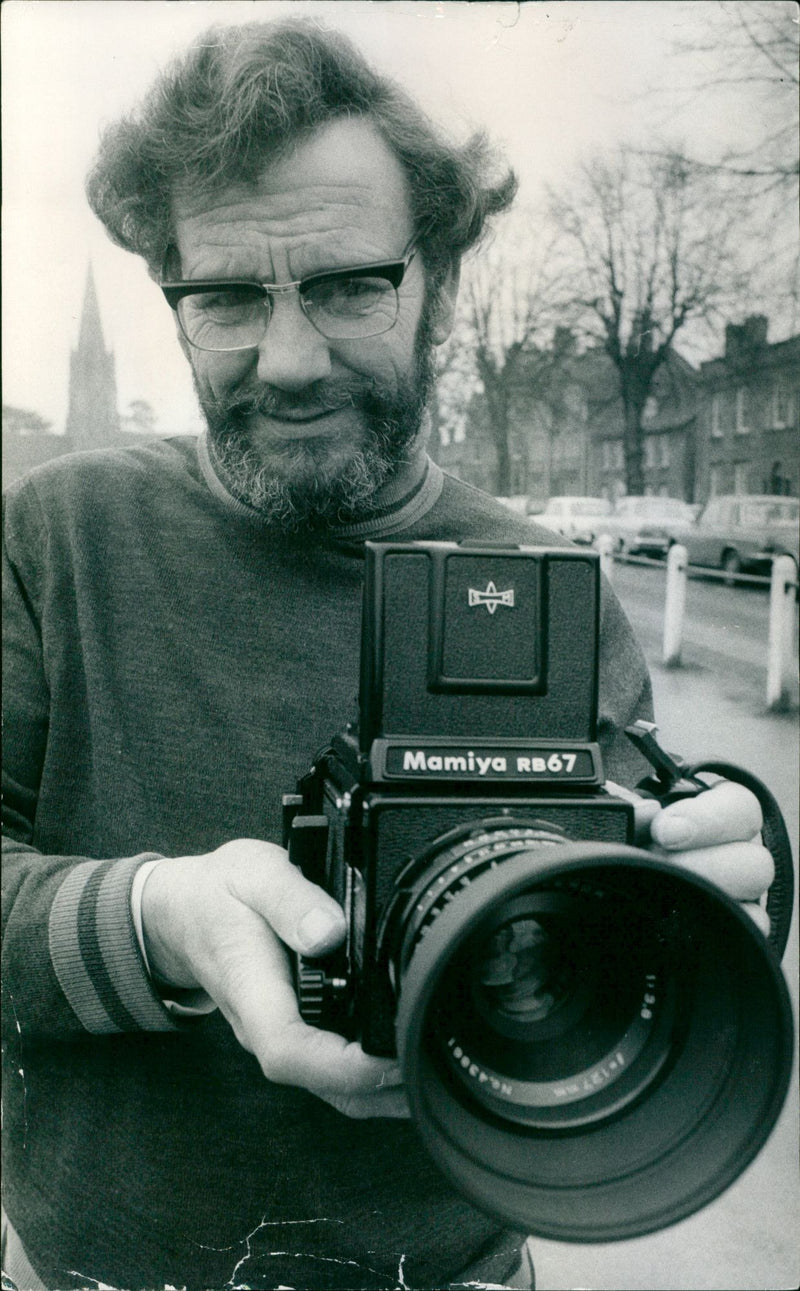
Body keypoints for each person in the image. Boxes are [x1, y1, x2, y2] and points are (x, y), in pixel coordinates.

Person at [1, 19, 773, 1291]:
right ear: (171, 302)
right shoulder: (51, 540)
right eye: (230, 298)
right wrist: (153, 919)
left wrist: (695, 917)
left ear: (440, 283)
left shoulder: (548, 592)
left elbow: (614, 998)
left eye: (351, 284)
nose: (291, 361)